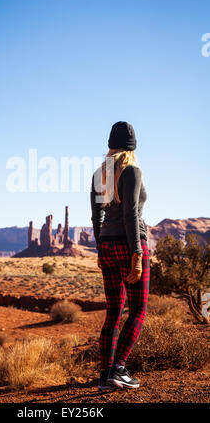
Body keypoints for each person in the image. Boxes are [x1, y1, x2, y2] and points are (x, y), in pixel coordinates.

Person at [90, 121, 150, 391]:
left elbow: (96, 217)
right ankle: (119, 368)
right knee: (137, 310)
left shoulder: (98, 175)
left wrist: (100, 245)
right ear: (132, 148)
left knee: (114, 311)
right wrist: (136, 252)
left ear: (110, 145)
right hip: (130, 245)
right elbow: (131, 215)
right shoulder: (132, 172)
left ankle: (105, 377)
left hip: (106, 246)